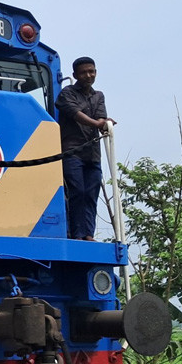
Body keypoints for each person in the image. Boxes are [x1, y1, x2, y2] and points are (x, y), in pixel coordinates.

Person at [55, 56, 116, 241]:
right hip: (72, 150)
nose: (88, 75)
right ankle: (76, 233)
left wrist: (105, 122)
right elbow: (76, 114)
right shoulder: (67, 93)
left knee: (91, 193)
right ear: (75, 75)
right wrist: (97, 124)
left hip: (93, 153)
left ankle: (88, 233)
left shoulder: (99, 96)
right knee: (77, 191)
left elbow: (100, 117)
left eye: (92, 71)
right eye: (83, 72)